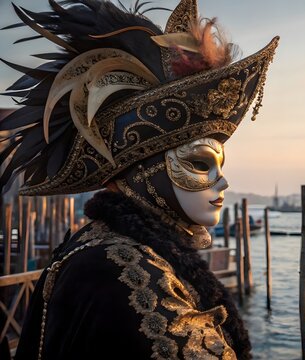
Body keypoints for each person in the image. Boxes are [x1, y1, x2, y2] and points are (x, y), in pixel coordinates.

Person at [4, 1, 279, 359]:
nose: (222, 183)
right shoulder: (118, 272)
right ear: (145, 171)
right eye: (200, 163)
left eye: (220, 167)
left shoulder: (111, 249)